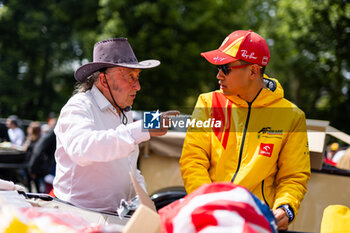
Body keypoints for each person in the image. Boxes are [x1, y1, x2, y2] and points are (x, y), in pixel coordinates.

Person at [179, 30, 311, 230]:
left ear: (253, 71)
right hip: (211, 217)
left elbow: (293, 177)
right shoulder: (207, 103)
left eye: (225, 67)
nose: (218, 75)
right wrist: (211, 204)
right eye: (217, 67)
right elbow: (192, 160)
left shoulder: (292, 116)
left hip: (257, 223)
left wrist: (286, 207)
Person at [53, 38, 179, 212]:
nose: (138, 86)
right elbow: (82, 149)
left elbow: (129, 168)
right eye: (130, 77)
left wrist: (143, 202)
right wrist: (143, 128)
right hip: (77, 215)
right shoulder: (78, 106)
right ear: (104, 81)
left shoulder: (124, 111)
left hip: (111, 217)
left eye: (137, 77)